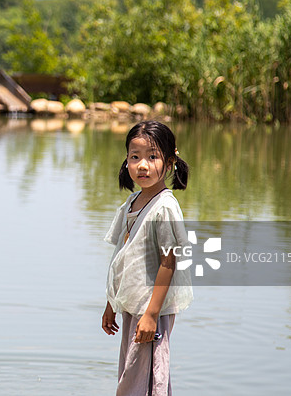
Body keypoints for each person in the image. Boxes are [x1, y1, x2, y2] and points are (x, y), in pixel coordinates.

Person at [101, 120, 193, 396]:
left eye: (152, 157)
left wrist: (152, 314)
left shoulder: (164, 206)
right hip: (132, 303)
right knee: (132, 373)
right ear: (126, 161)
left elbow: (169, 261)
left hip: (152, 307)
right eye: (135, 157)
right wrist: (111, 304)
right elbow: (122, 257)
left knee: (149, 379)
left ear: (169, 161)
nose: (142, 165)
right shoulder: (132, 202)